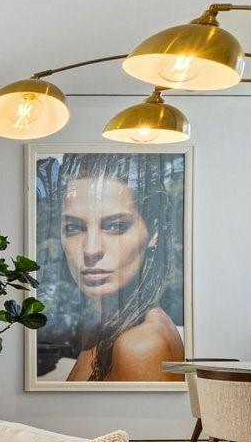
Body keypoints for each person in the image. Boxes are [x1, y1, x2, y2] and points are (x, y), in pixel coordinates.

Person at [56, 154, 183, 382]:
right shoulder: (104, 326)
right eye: (73, 227)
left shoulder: (141, 345)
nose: (91, 249)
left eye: (115, 226)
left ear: (153, 233)